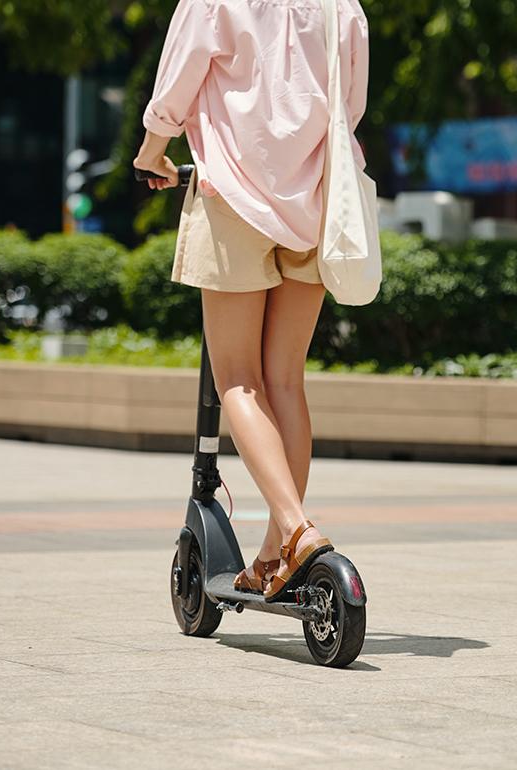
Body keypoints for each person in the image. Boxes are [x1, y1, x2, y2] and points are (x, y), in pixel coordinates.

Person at [134, 0, 370, 598]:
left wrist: (152, 149)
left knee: (238, 379)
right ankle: (273, 551)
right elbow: (352, 106)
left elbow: (180, 77)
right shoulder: (345, 7)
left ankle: (295, 528)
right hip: (318, 199)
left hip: (232, 194)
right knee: (286, 381)